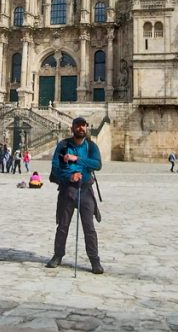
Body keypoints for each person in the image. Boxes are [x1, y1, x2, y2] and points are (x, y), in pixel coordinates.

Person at [46, 116, 103, 275]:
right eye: (77, 126)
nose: (80, 128)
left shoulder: (91, 147)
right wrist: (69, 177)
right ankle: (58, 255)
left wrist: (77, 159)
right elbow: (55, 170)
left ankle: (94, 260)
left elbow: (97, 164)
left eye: (83, 126)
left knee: (89, 228)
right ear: (72, 128)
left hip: (85, 190)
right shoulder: (63, 146)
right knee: (63, 225)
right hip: (67, 190)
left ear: (86, 128)